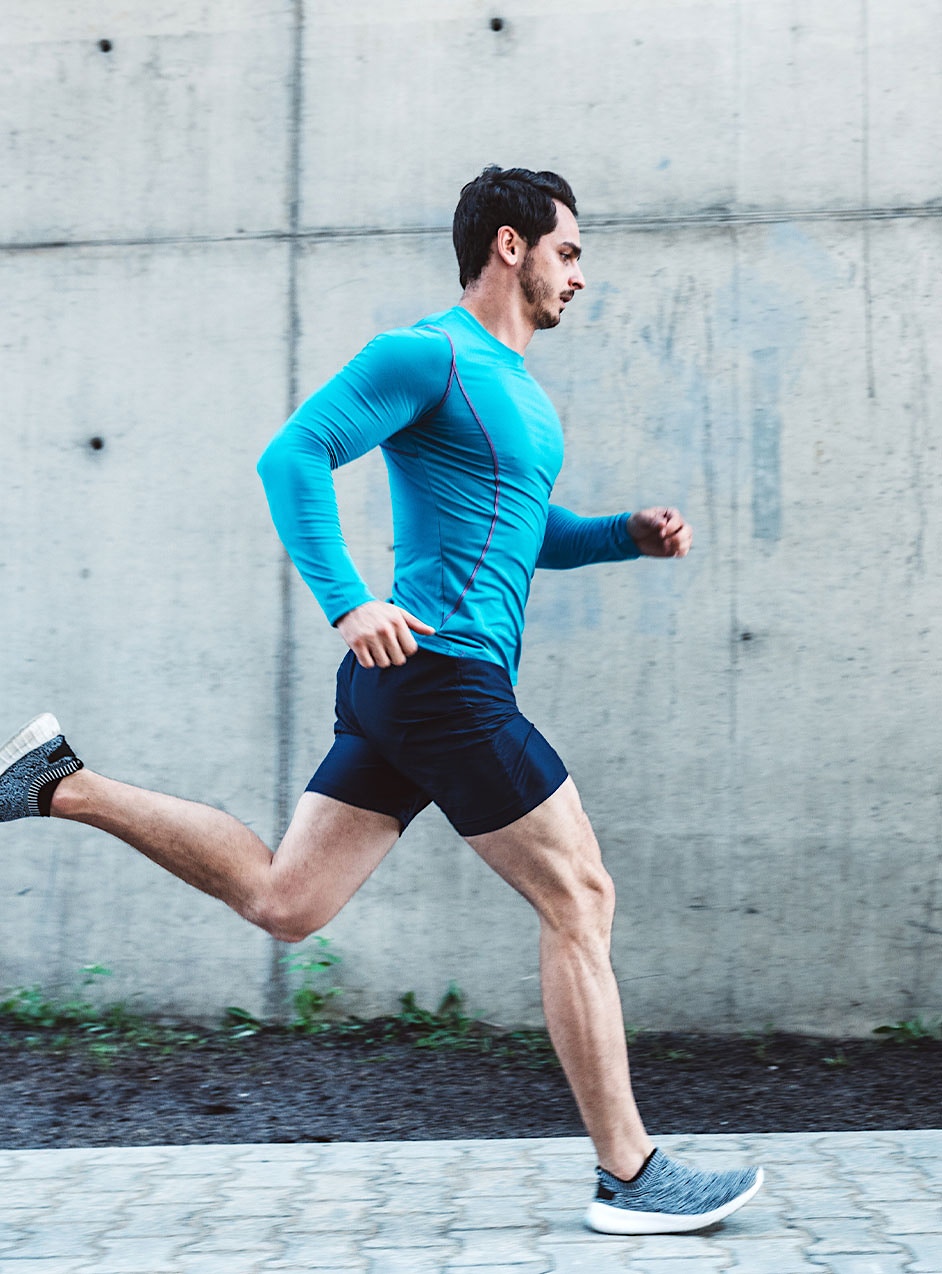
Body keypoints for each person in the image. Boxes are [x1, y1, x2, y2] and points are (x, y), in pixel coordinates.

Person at [1, 166, 762, 1234]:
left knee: (285, 900)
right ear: (511, 245)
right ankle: (629, 1173)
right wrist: (349, 601)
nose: (580, 275)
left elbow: (517, 532)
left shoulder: (520, 391)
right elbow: (292, 454)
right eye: (570, 251)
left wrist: (622, 535)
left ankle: (60, 784)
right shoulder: (430, 353)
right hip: (439, 674)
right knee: (580, 896)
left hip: (412, 687)